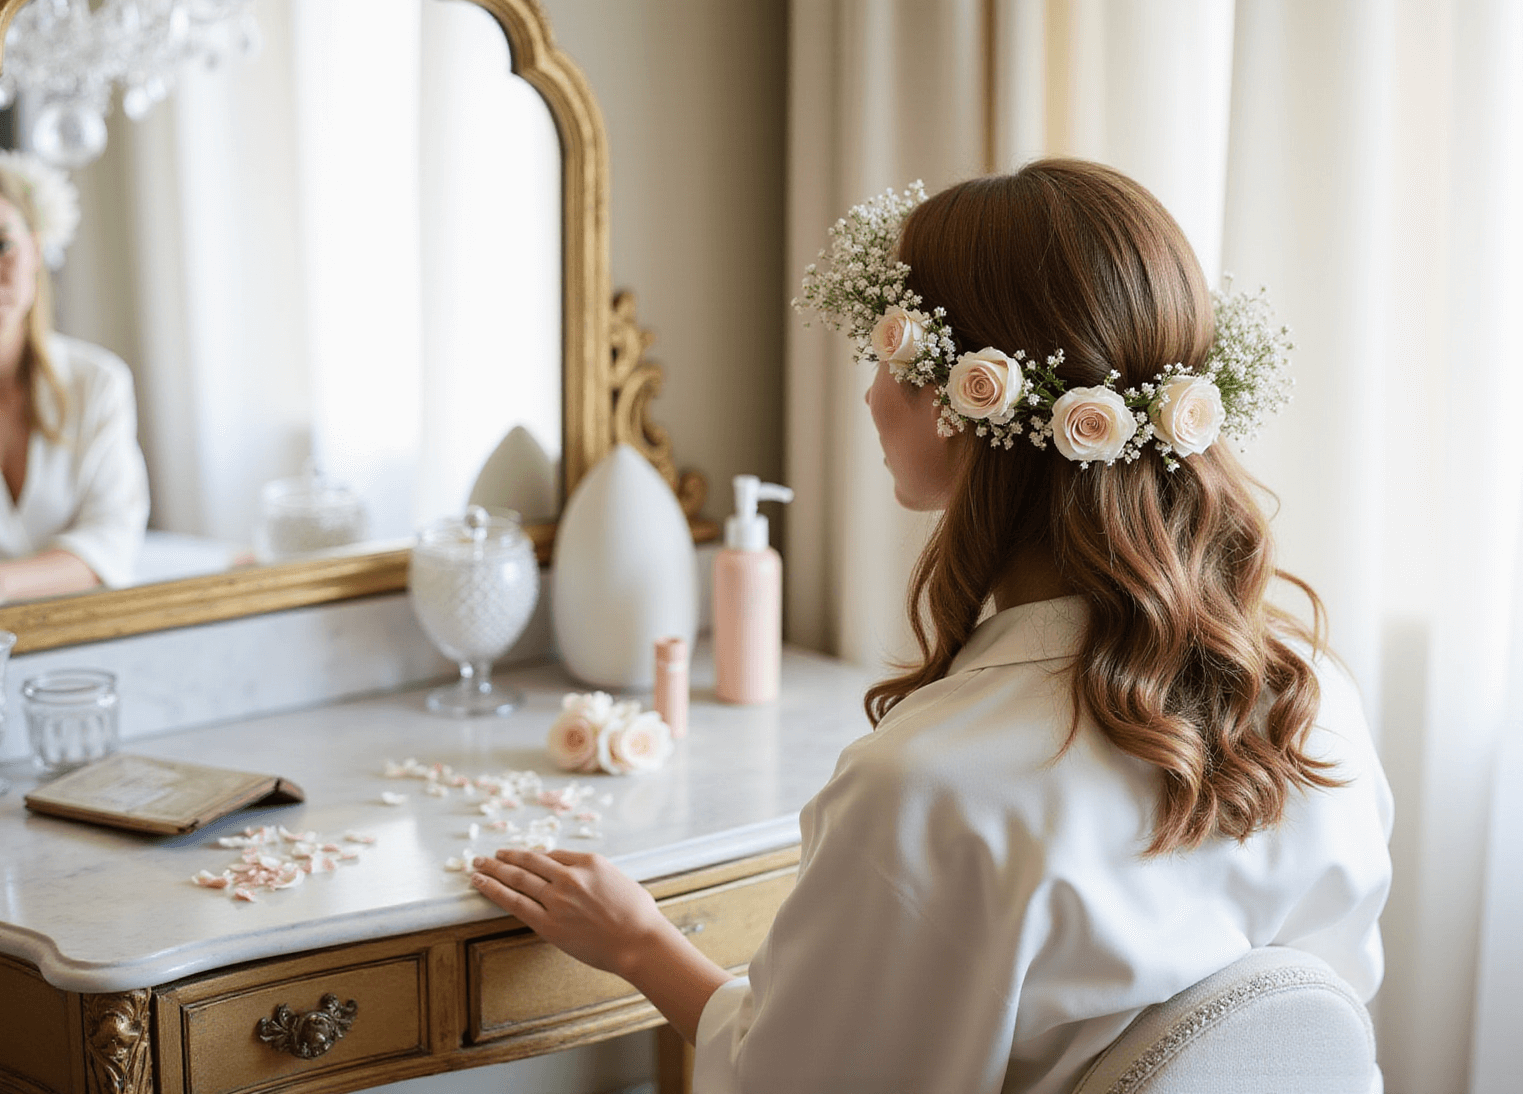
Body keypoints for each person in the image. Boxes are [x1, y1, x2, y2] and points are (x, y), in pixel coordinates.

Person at [471, 159, 1394, 1091]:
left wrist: (640, 945)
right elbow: (1308, 1032)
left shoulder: (931, 795)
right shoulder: (1312, 704)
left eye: (892, 356)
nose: (873, 395)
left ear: (970, 404)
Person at [0, 152, 149, 607]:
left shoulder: (97, 382)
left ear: (35, 248)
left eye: (0, 245)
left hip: (85, 637)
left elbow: (113, 543)